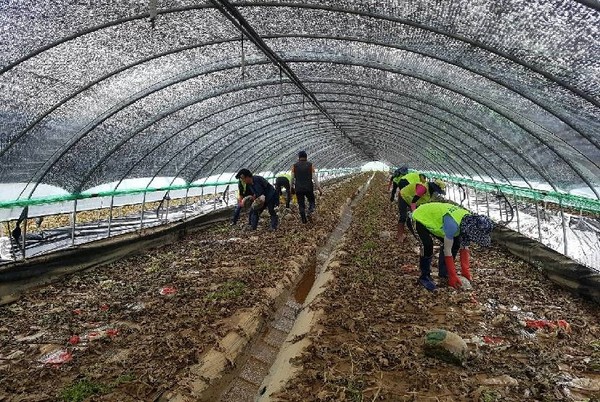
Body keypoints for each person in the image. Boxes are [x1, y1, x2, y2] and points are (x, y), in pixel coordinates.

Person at [412, 202, 494, 291]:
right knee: (427, 245)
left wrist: (465, 271)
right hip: (420, 217)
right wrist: (452, 275)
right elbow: (447, 251)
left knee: (456, 244)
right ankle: (424, 276)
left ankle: (444, 272)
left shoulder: (468, 221)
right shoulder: (453, 225)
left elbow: (464, 247)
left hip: (437, 219)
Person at [291, 151, 322, 224]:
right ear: (306, 157)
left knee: (301, 204)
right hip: (308, 187)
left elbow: (292, 178)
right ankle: (310, 211)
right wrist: (319, 188)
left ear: (299, 158)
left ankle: (304, 220)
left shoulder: (294, 166)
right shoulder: (310, 165)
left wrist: (291, 188)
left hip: (298, 188)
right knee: (312, 201)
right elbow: (314, 178)